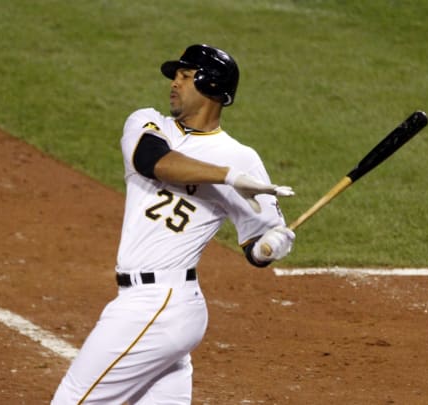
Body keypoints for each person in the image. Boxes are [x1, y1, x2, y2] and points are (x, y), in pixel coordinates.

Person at [51, 44, 296, 404]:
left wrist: (269, 245)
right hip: (158, 309)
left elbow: (258, 245)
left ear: (211, 86)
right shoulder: (147, 123)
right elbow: (154, 161)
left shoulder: (242, 157)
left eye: (185, 76)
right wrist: (229, 178)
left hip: (158, 304)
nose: (174, 83)